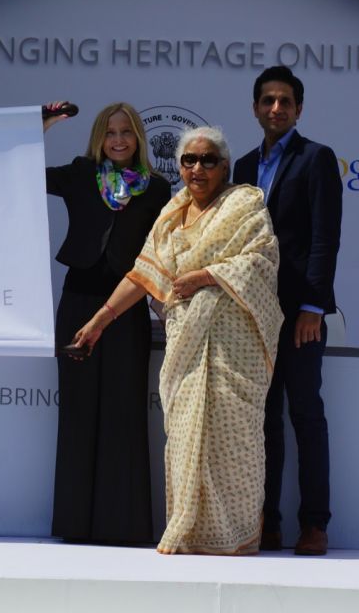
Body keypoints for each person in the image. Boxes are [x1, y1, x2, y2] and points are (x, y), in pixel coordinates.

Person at [73, 127, 282, 555]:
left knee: (235, 441)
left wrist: (206, 276)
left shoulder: (245, 205)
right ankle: (189, 532)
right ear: (180, 166)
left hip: (234, 346)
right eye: (189, 160)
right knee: (186, 436)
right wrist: (99, 320)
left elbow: (262, 261)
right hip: (187, 342)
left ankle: (237, 539)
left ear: (224, 166)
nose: (198, 168)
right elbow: (143, 274)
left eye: (208, 160)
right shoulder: (172, 215)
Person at [44, 101, 171, 544]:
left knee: (124, 410)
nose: (118, 140)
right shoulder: (79, 174)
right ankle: (75, 524)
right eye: (110, 132)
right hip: (78, 302)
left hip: (126, 307)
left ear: (139, 137)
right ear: (99, 137)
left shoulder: (157, 188)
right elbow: (22, 172)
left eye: (127, 132)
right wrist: (44, 124)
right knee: (78, 411)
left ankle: (123, 526)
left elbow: (160, 254)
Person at [233, 65, 342, 556]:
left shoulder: (316, 158)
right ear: (256, 108)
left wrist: (314, 306)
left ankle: (315, 524)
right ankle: (266, 521)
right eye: (267, 100)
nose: (276, 108)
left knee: (306, 415)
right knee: (262, 419)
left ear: (298, 109)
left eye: (285, 101)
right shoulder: (241, 167)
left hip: (300, 315)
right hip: (253, 314)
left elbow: (325, 237)